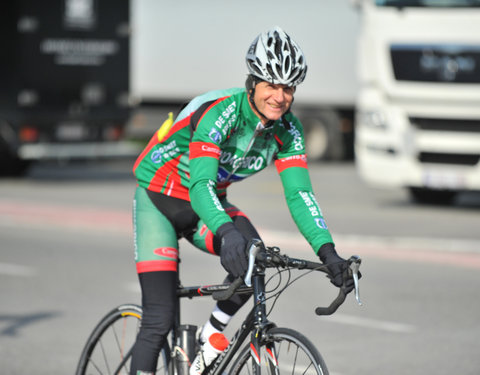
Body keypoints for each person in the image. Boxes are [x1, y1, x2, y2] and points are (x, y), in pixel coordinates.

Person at [130, 26, 356, 375]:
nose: (280, 97)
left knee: (256, 258)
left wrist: (327, 253)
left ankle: (208, 338)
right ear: (252, 83)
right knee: (158, 320)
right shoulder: (221, 112)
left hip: (207, 201)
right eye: (272, 85)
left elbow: (300, 195)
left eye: (289, 87)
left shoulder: (288, 131)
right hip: (161, 197)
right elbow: (200, 182)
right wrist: (225, 232)